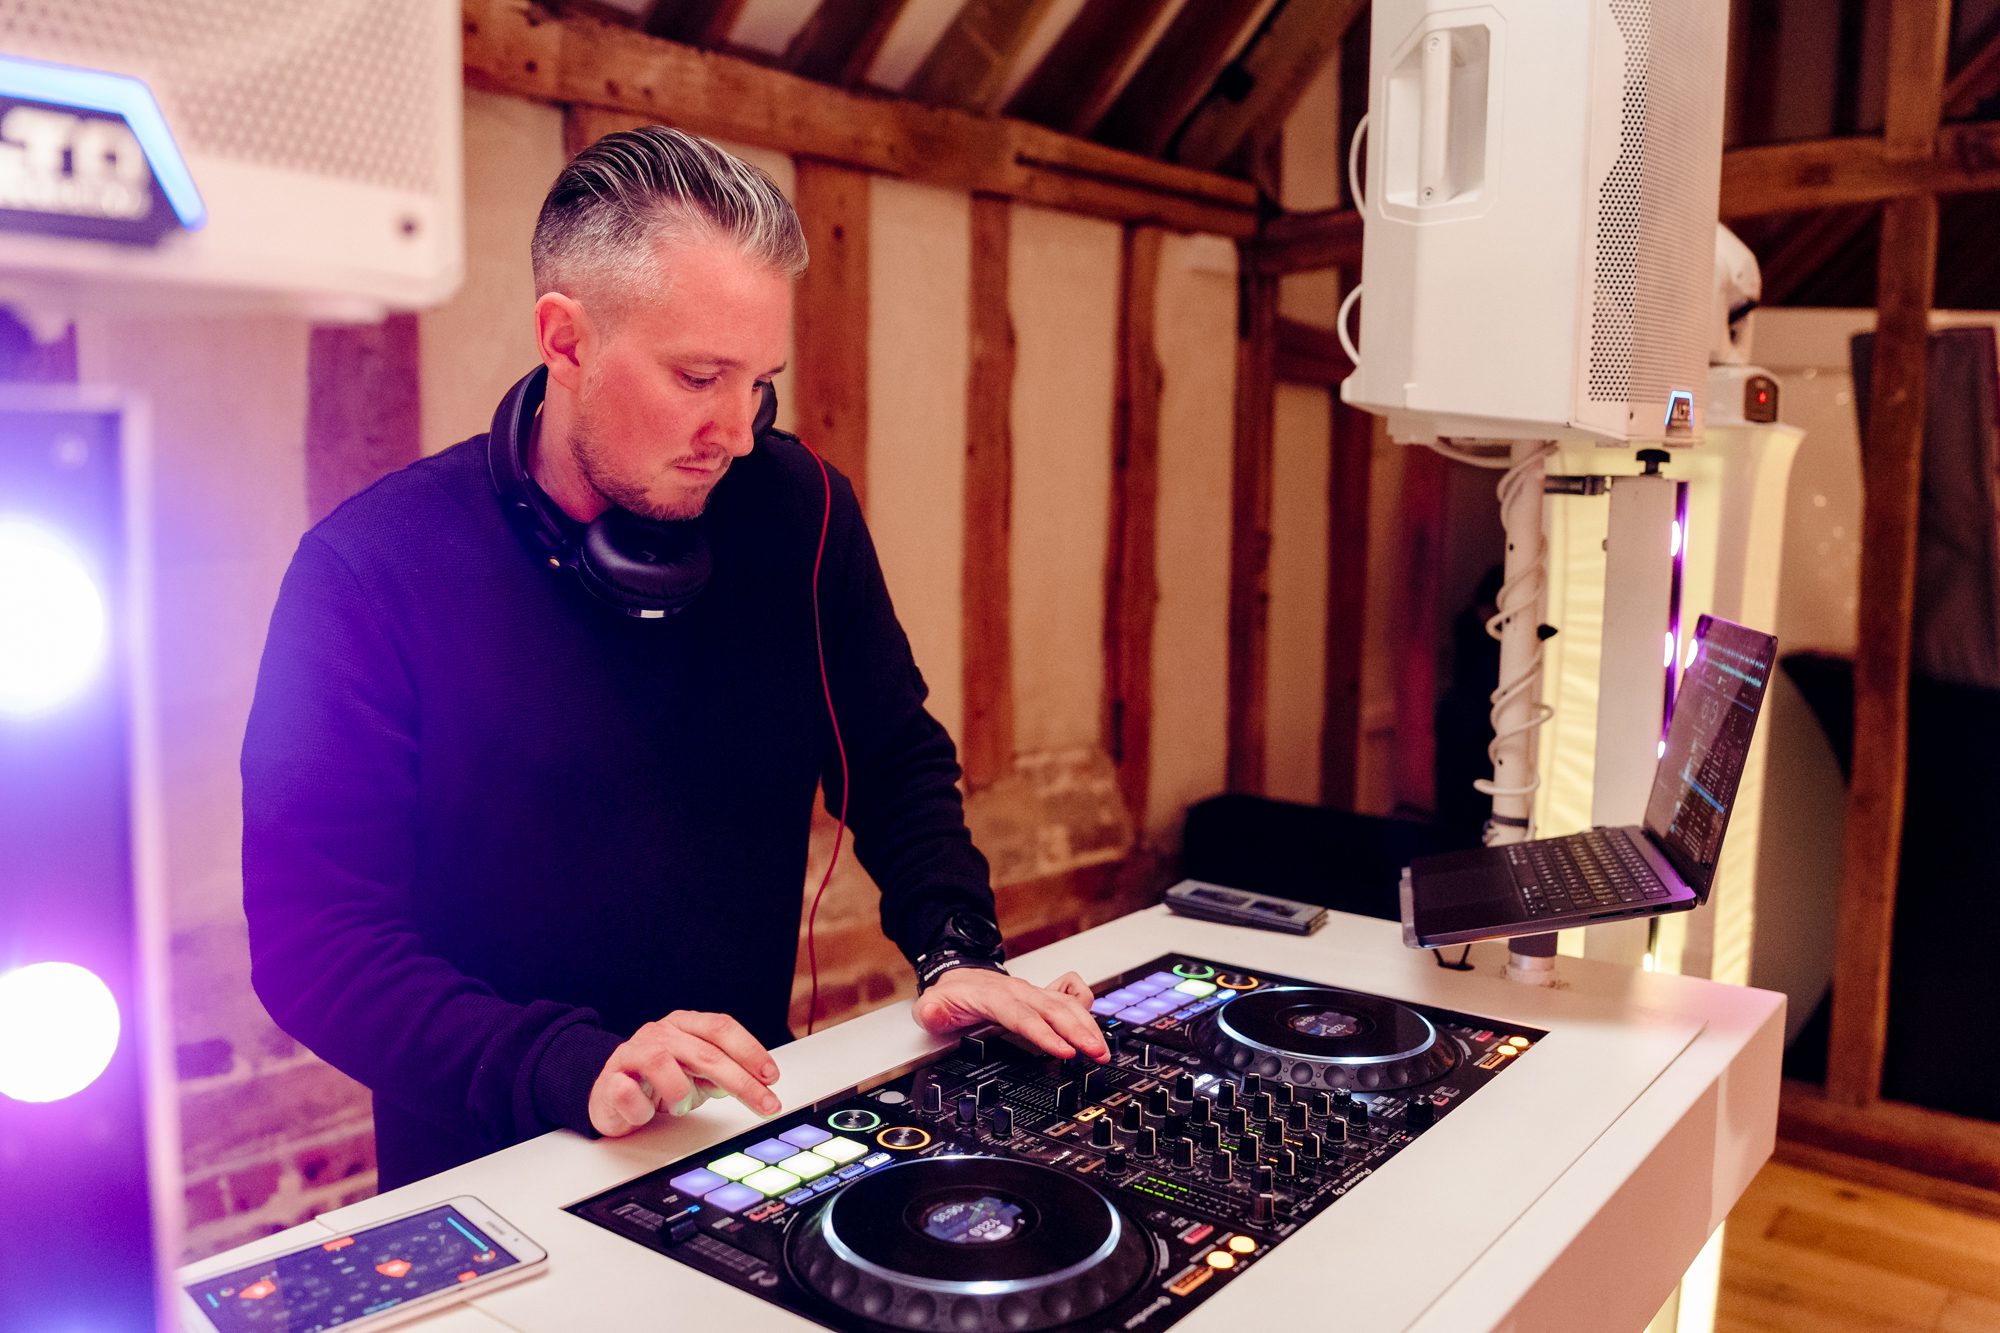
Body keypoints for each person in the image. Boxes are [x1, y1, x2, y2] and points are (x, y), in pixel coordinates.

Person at [242, 126, 1107, 1190]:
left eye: (760, 383)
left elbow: (892, 757)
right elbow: (316, 944)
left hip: (740, 1136)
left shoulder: (799, 511)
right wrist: (568, 1065)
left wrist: (956, 945)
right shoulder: (368, 571)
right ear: (565, 340)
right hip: (491, 1171)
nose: (737, 433)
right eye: (699, 377)